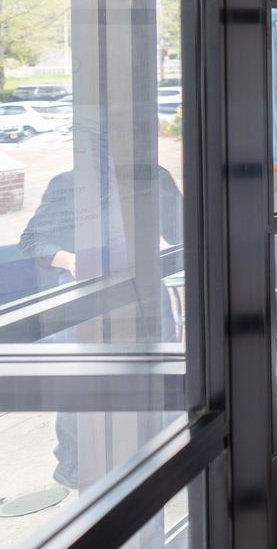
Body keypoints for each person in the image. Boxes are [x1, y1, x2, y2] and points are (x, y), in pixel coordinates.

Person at [17, 161, 183, 491]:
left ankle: (154, 462)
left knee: (154, 377)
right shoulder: (67, 182)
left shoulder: (154, 176)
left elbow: (180, 232)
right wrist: (71, 260)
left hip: (145, 294)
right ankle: (78, 473)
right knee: (83, 384)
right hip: (83, 298)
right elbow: (31, 240)